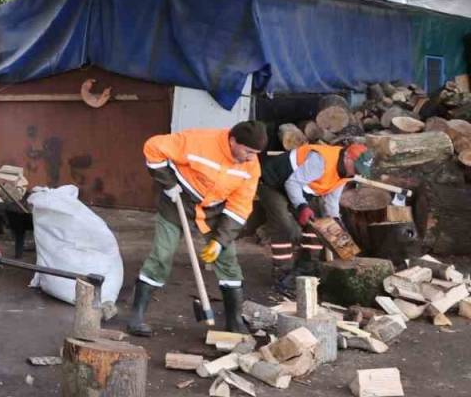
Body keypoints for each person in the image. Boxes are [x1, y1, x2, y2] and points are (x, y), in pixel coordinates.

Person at [126, 121, 267, 337]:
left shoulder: (251, 167)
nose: (250, 157)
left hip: (213, 210)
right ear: (233, 141)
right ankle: (136, 317)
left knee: (228, 259)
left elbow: (240, 206)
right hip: (177, 200)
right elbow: (153, 147)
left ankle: (234, 321)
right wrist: (168, 182)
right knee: (162, 254)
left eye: (255, 153)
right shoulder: (198, 141)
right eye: (248, 151)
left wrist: (220, 242)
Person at [257, 142, 373, 297]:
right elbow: (292, 183)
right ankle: (282, 273)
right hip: (273, 184)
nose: (356, 173)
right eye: (356, 168)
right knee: (285, 226)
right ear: (347, 157)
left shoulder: (346, 173)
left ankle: (306, 266)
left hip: (298, 188)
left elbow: (331, 201)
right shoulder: (321, 160)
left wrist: (335, 223)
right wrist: (302, 207)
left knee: (321, 222)